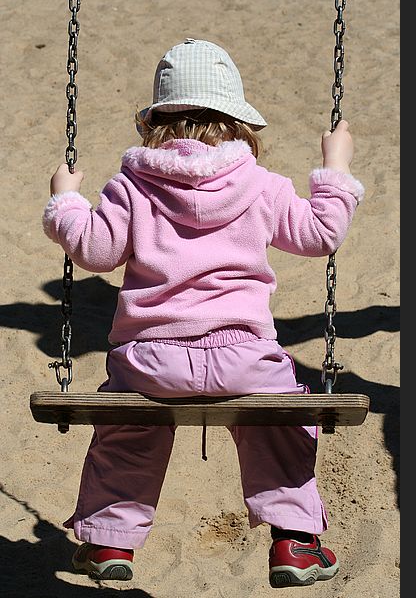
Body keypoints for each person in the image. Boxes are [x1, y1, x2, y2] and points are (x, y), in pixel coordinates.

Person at [43, 39, 364, 588]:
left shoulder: (132, 187)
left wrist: (67, 202)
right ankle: (295, 542)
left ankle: (108, 542)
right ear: (237, 121)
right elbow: (320, 234)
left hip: (150, 361)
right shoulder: (262, 185)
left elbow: (94, 251)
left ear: (155, 121)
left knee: (126, 428)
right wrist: (334, 167)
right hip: (245, 358)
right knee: (282, 422)